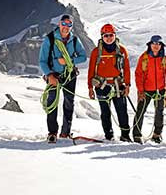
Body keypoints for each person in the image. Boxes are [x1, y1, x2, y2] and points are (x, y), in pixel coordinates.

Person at [39, 14, 87, 144]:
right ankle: (52, 133)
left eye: (69, 24)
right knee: (52, 103)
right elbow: (42, 61)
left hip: (69, 75)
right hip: (54, 75)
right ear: (59, 24)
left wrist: (68, 60)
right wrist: (49, 75)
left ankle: (65, 132)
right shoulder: (50, 40)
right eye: (64, 24)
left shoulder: (74, 40)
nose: (66, 27)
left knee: (68, 102)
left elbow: (83, 57)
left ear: (71, 26)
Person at [87, 23, 132, 142]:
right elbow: (91, 70)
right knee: (105, 112)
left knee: (122, 111)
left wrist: (127, 85)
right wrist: (90, 88)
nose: (108, 38)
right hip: (102, 85)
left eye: (110, 35)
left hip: (118, 85)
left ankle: (125, 135)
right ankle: (109, 135)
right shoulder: (96, 52)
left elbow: (126, 69)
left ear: (115, 35)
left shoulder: (121, 50)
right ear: (102, 36)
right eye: (106, 35)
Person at [132, 35, 166, 144]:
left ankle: (157, 134)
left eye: (158, 44)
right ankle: (136, 134)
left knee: (159, 112)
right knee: (140, 112)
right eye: (154, 43)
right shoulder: (144, 58)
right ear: (150, 45)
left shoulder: (164, 59)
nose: (156, 46)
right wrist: (140, 90)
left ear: (161, 46)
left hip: (160, 90)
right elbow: (138, 74)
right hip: (145, 90)